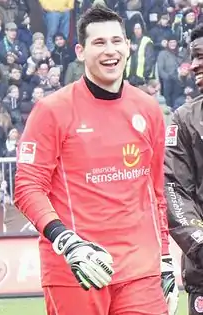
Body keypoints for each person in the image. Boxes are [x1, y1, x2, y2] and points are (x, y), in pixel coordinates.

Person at [14, 5, 176, 315]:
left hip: (139, 270)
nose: (110, 50)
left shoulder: (148, 109)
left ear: (128, 46)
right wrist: (67, 242)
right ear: (80, 51)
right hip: (76, 270)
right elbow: (27, 187)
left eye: (117, 41)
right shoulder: (52, 111)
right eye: (99, 43)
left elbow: (155, 193)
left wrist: (165, 259)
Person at [164, 23, 203, 315]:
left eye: (202, 56)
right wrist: (200, 242)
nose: (195, 65)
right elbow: (174, 188)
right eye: (193, 57)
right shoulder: (184, 119)